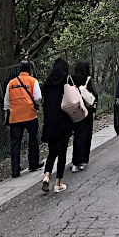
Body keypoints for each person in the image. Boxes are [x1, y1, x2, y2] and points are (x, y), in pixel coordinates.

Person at [3, 60, 43, 178]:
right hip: (30, 114)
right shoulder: (32, 81)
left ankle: (15, 169)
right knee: (33, 139)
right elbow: (38, 97)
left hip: (15, 116)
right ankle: (33, 164)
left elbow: (6, 101)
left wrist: (7, 112)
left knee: (15, 143)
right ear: (31, 69)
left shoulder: (11, 83)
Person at [41, 57, 73, 193]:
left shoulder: (47, 82)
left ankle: (47, 176)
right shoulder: (67, 79)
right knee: (62, 152)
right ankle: (58, 183)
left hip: (50, 121)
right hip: (63, 120)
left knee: (52, 151)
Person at [71, 60, 98, 173]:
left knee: (77, 135)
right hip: (86, 111)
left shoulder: (72, 79)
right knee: (85, 135)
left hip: (75, 111)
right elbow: (93, 95)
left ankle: (75, 160)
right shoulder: (87, 80)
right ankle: (80, 161)